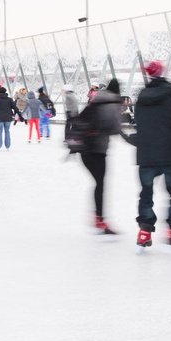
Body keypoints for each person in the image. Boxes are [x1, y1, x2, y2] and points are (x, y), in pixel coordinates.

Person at [121, 61, 171, 248]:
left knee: (146, 194)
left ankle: (144, 232)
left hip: (146, 155)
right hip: (169, 154)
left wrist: (133, 139)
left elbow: (140, 125)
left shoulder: (142, 96)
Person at [72, 80, 125, 234]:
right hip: (97, 149)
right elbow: (114, 128)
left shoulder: (95, 100)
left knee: (98, 183)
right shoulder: (113, 102)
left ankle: (98, 217)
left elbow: (80, 120)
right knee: (101, 184)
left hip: (84, 148)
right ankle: (99, 219)